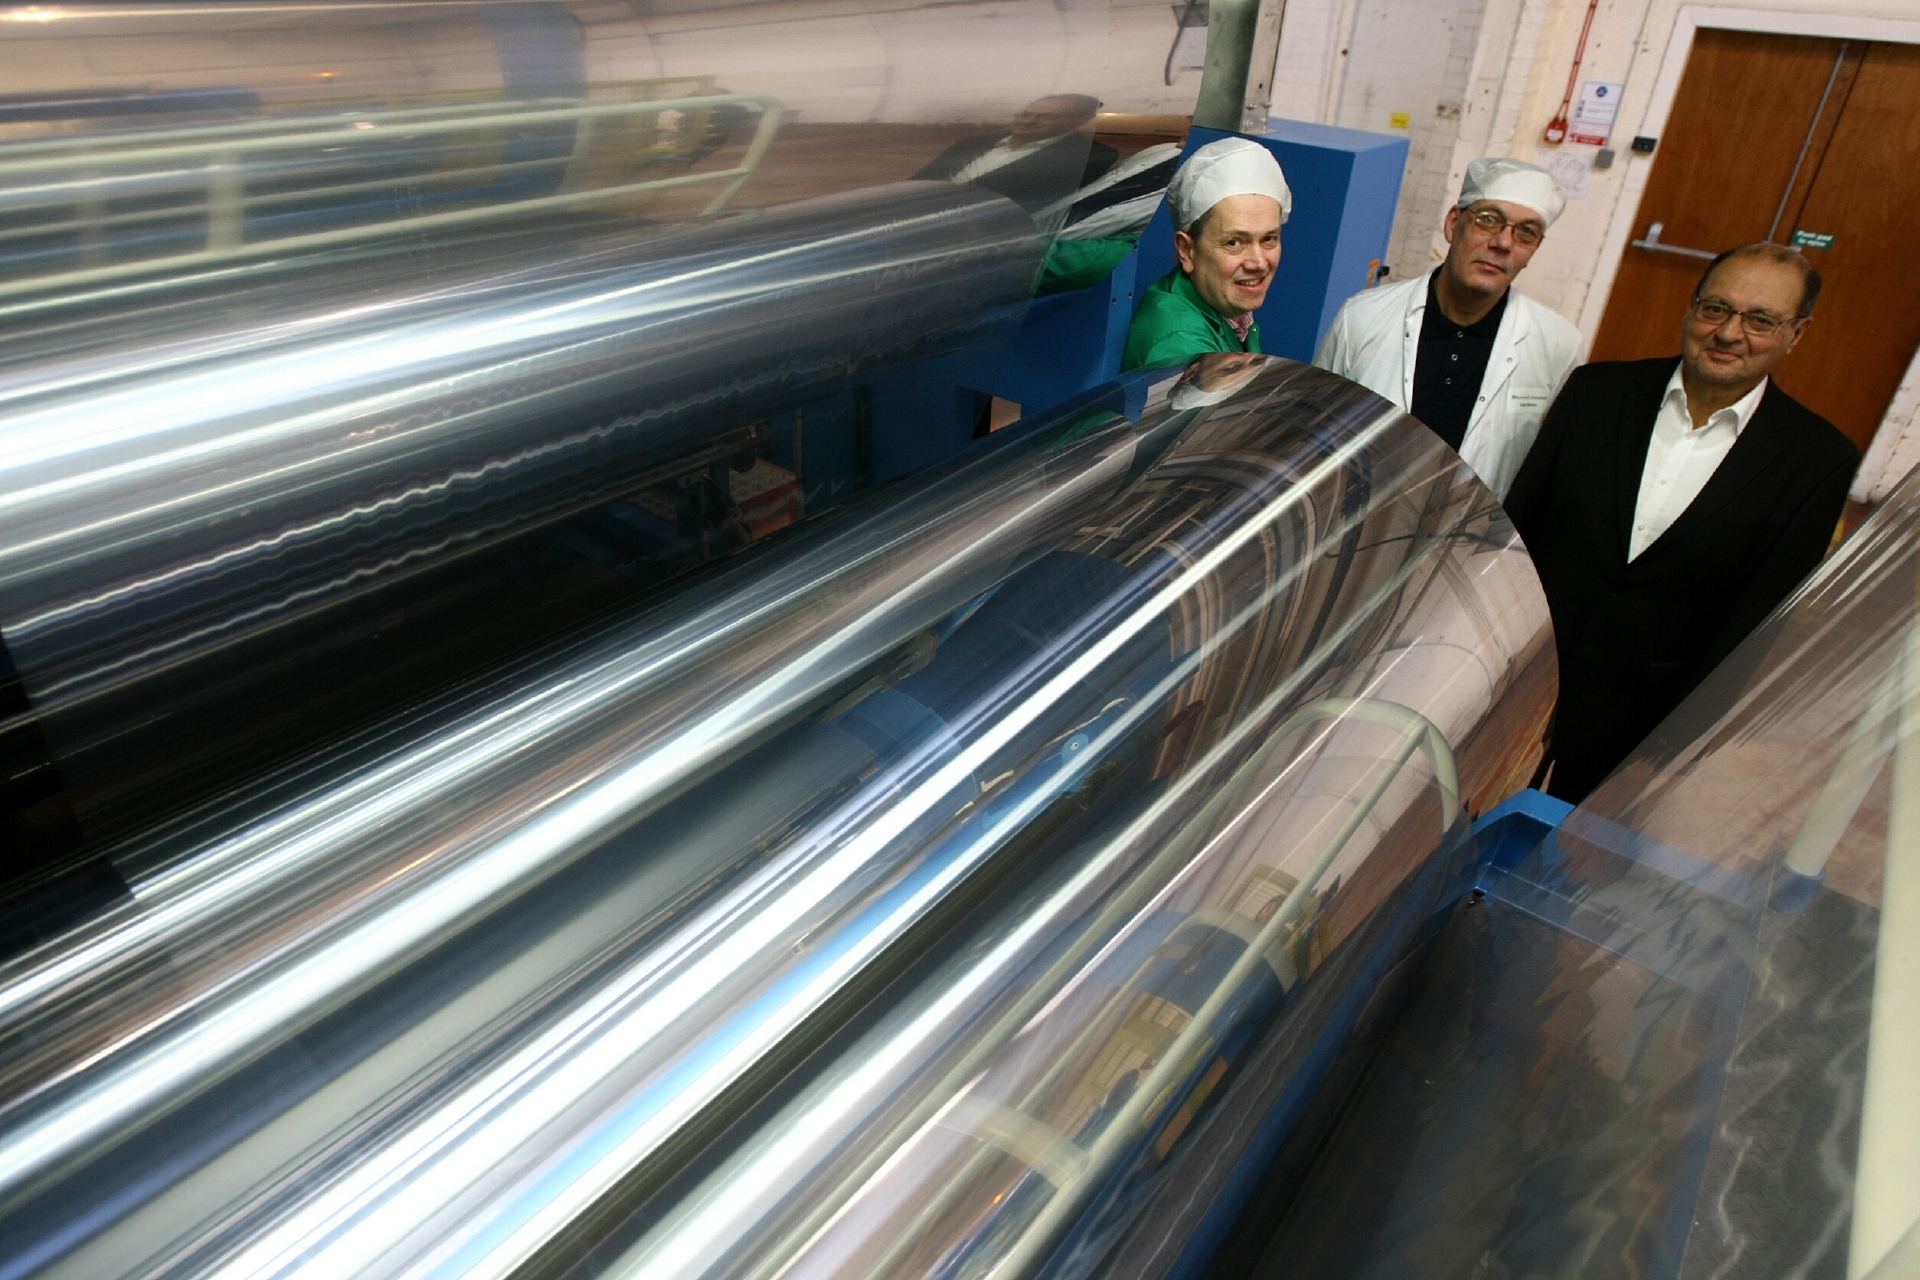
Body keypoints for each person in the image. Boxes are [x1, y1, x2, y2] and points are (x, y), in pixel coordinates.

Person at [1505, 243, 1859, 801]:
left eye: (1760, 320)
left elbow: (1753, 628)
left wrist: (1669, 754)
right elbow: (1516, 532)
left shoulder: (1817, 460)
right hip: (1519, 682)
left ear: (1798, 333)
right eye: (1716, 308)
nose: (1729, 333)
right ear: (1691, 308)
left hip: (1641, 720)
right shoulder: (1596, 393)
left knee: (1569, 866)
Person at [1314, 158, 1580, 500]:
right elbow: (1314, 429)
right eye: (1488, 220)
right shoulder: (1362, 317)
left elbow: (1547, 472)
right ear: (1454, 224)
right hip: (1354, 522)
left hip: (1472, 539)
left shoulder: (1559, 344)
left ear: (1533, 250)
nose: (1503, 243)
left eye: (1525, 232)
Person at [1122, 138, 1291, 372]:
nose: (1259, 263)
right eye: (1234, 242)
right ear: (1187, 250)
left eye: (1269, 239)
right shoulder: (1180, 344)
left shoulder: (1227, 308)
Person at [915, 94, 1117, 213]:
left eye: (1048, 117)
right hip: (919, 214)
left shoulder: (1091, 156)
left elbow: (1027, 203)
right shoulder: (974, 143)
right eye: (1026, 114)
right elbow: (919, 182)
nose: (1028, 121)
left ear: (1080, 120)